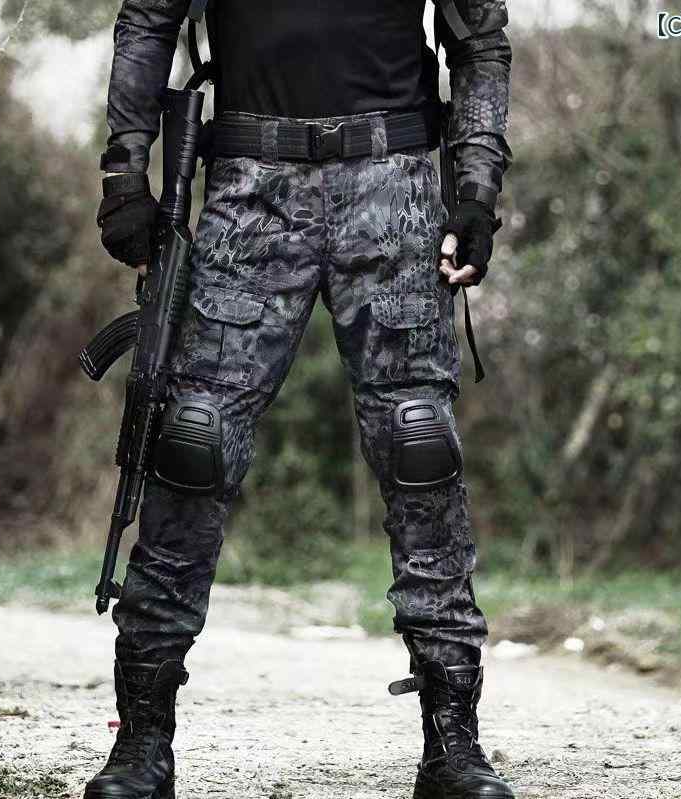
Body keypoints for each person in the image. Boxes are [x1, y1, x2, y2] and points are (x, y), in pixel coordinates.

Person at [87, 2, 514, 798]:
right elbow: (147, 18)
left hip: (394, 185)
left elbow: (480, 40)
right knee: (191, 444)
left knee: (419, 447)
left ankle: (452, 744)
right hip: (250, 188)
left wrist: (475, 192)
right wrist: (123, 176)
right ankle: (142, 742)